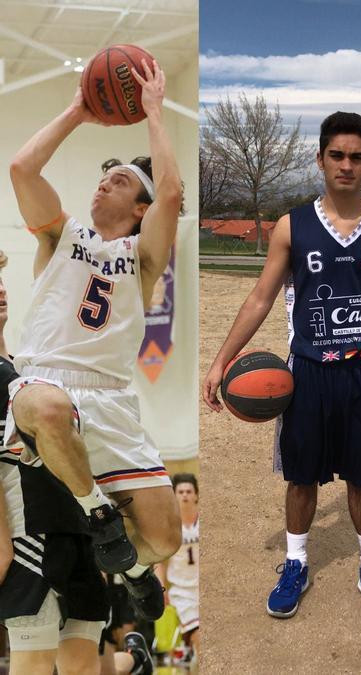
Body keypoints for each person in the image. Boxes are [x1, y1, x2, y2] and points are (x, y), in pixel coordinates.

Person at [202, 111, 361, 622]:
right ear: (321, 159)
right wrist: (221, 361)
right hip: (305, 372)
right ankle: (295, 563)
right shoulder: (293, 224)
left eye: (356, 157)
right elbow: (261, 297)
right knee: (301, 478)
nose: (346, 165)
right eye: (337, 155)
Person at [5, 59, 183, 621]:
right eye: (104, 177)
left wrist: (154, 110)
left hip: (110, 398)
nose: (105, 181)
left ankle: (129, 568)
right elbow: (22, 168)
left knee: (164, 542)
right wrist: (80, 110)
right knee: (42, 404)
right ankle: (98, 517)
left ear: (140, 211)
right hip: (45, 384)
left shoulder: (143, 259)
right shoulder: (62, 236)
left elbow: (173, 197)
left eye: (122, 181)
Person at [0, 249, 151, 675]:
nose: (0, 289)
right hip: (30, 534)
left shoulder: (25, 367)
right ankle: (134, 663)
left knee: (83, 665)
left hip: (81, 529)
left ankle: (133, 662)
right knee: (32, 664)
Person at [155, 473, 199, 660]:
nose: (185, 495)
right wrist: (160, 589)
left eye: (189, 491)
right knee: (198, 638)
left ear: (196, 495)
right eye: (180, 492)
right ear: (174, 495)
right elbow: (159, 561)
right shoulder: (168, 526)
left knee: (189, 650)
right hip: (183, 593)